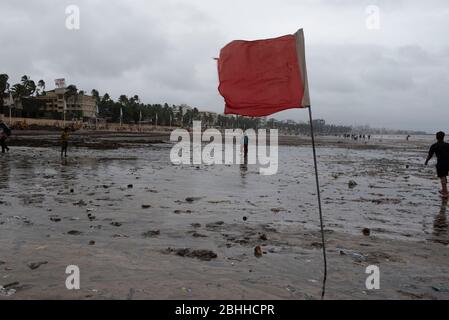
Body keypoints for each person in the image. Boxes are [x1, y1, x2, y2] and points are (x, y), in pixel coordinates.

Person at [425, 131, 449, 198]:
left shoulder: (434, 146)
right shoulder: (448, 145)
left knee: (442, 177)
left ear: (436, 137)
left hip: (441, 163)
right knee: (444, 176)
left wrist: (426, 161)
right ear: (443, 137)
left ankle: (445, 193)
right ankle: (444, 190)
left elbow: (430, 155)